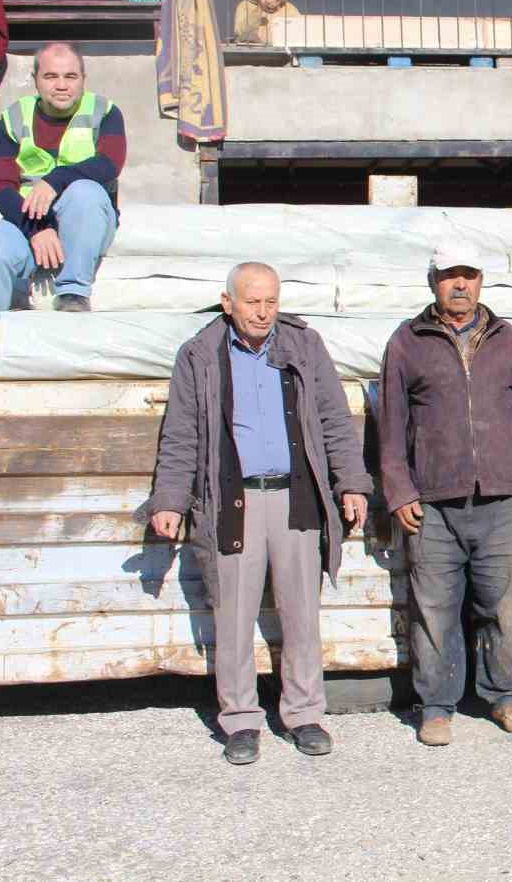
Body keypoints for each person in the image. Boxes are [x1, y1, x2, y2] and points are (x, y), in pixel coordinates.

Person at [147, 262, 371, 766]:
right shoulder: (200, 354)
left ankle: (304, 714)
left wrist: (352, 483)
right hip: (234, 500)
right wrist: (170, 500)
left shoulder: (303, 345)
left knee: (301, 613)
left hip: (296, 497)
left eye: (271, 301)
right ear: (227, 303)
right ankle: (241, 720)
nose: (263, 312)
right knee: (233, 615)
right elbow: (181, 433)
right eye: (252, 302)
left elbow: (334, 419)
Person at [378, 245, 512, 745]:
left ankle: (506, 697)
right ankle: (436, 707)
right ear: (433, 281)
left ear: (480, 281)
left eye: (469, 275)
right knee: (434, 611)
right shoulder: (407, 341)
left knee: (503, 608)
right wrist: (399, 490)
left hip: (500, 499)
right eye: (450, 275)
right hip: (433, 504)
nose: (460, 284)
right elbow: (390, 425)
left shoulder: (507, 339)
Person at [0, 42, 122, 312]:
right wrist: (37, 229)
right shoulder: (13, 118)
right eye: (51, 76)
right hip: (30, 217)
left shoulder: (105, 112)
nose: (61, 85)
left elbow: (109, 164)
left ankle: (73, 294)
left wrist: (55, 179)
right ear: (35, 80)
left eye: (70, 76)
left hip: (88, 219)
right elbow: (1, 188)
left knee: (84, 192)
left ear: (83, 79)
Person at [232, 0, 300, 44]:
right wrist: (260, 8)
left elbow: (299, 34)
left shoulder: (289, 8)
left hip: (280, 50)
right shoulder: (246, 6)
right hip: (253, 49)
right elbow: (241, 33)